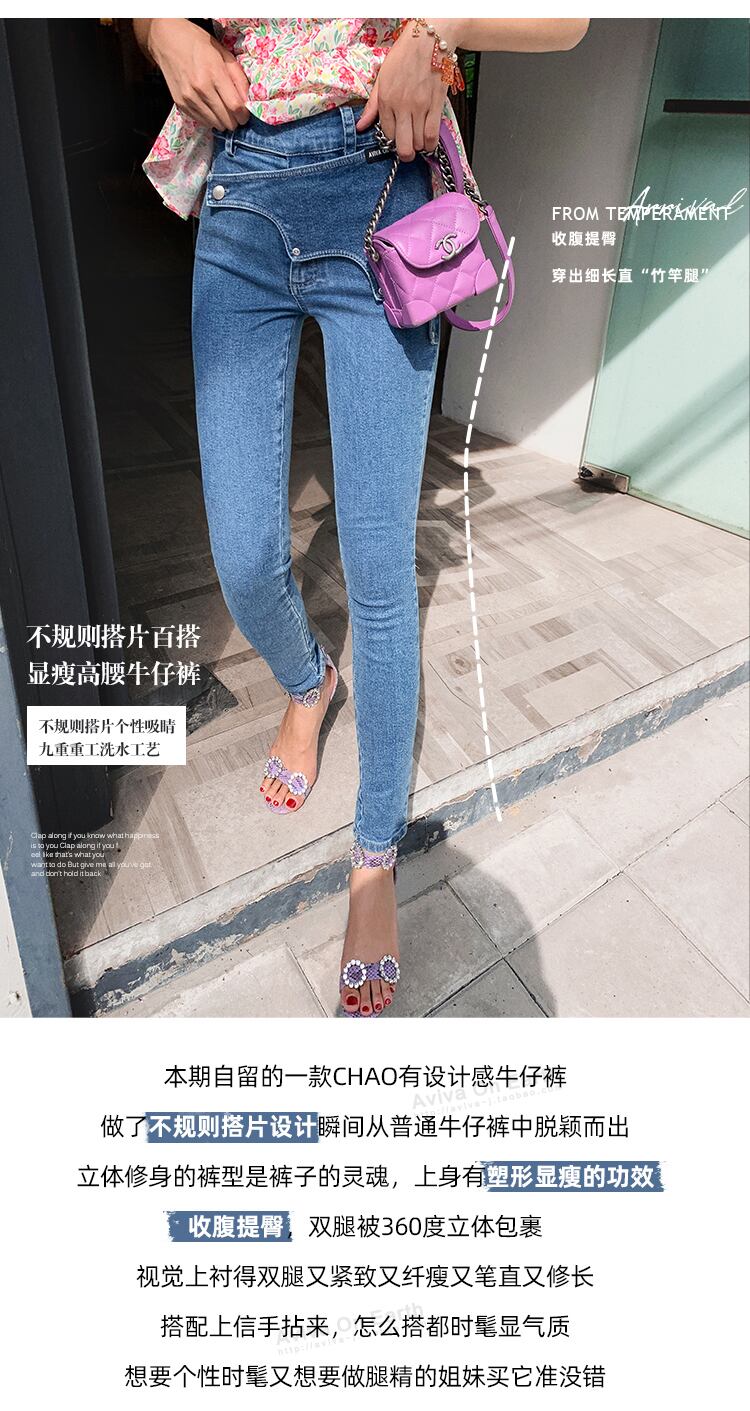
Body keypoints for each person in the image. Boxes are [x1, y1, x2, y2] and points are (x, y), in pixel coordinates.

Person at [134, 17, 590, 1017]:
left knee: (382, 577)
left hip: (383, 173)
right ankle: (309, 680)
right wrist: (157, 25)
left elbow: (571, 19)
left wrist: (439, 26)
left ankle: (374, 855)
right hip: (243, 190)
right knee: (243, 554)